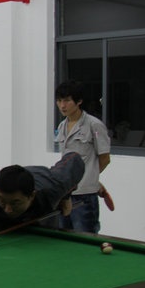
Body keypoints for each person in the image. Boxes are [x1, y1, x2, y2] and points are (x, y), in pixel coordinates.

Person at [0, 152, 85, 248]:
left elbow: (74, 158)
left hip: (41, 217)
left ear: (31, 196)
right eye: (2, 201)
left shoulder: (54, 186)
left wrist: (66, 196)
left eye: (15, 203)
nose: (8, 209)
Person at [54, 80, 111, 233]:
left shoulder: (95, 126)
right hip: (65, 194)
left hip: (85, 196)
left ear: (79, 101)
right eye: (59, 101)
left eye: (67, 100)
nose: (62, 105)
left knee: (85, 236)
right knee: (64, 237)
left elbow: (105, 158)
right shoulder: (61, 126)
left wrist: (91, 178)